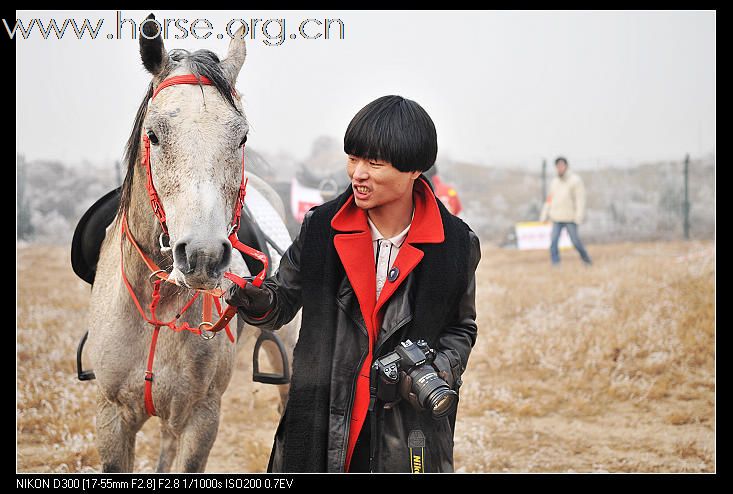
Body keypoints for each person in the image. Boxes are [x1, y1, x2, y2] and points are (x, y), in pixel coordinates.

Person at [226, 95, 481, 472]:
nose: (357, 173)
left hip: (408, 431)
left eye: (374, 162)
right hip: (320, 423)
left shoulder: (456, 244)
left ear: (415, 169)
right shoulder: (321, 228)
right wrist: (250, 296)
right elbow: (279, 304)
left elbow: (461, 327)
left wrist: (438, 370)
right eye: (353, 158)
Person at [539, 156, 592, 266]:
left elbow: (580, 200)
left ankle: (586, 259)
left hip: (570, 217)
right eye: (557, 166)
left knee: (575, 242)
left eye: (561, 166)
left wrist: (579, 216)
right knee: (553, 242)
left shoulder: (575, 181)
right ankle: (556, 264)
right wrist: (544, 214)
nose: (559, 168)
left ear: (566, 166)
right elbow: (549, 199)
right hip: (556, 217)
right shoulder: (554, 182)